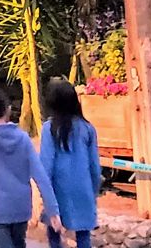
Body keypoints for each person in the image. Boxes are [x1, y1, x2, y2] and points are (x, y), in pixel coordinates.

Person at [0, 88, 60, 248]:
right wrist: (52, 209)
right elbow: (40, 175)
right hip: (20, 205)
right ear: (8, 109)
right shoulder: (23, 138)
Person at [40, 80, 102, 248]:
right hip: (83, 188)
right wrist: (94, 191)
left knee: (54, 234)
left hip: (58, 191)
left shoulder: (49, 128)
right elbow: (95, 166)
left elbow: (46, 166)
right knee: (83, 236)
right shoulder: (88, 128)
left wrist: (45, 197)